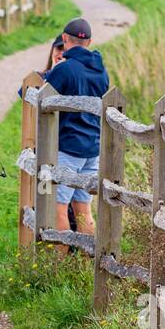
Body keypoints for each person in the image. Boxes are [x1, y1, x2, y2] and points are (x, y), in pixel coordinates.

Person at [38, 18, 108, 240]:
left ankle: (59, 267)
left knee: (58, 209)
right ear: (90, 42)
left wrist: (53, 69)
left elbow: (37, 94)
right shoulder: (101, 71)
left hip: (68, 147)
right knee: (84, 211)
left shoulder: (65, 69)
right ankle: (86, 263)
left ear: (65, 39)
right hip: (92, 149)